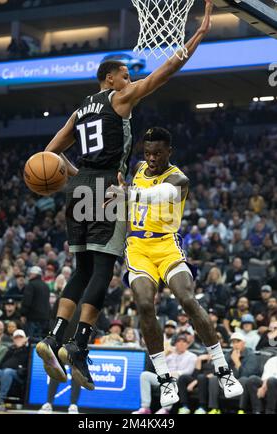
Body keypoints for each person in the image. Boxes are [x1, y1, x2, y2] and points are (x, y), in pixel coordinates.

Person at [36, 0, 214, 395]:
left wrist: (72, 177)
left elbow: (49, 155)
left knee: (81, 269)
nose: (129, 77)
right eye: (124, 73)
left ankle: (52, 338)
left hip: (79, 185)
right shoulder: (120, 99)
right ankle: (78, 346)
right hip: (105, 187)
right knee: (104, 269)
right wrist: (196, 38)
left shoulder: (81, 109)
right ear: (110, 79)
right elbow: (163, 74)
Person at [107, 126, 243, 409]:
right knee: (144, 303)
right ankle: (165, 378)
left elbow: (158, 195)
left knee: (188, 300)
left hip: (167, 245)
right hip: (139, 248)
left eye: (157, 153)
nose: (152, 158)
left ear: (170, 151)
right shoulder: (140, 168)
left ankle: (222, 369)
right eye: (147, 153)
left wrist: (128, 194)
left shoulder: (179, 179)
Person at [132, 335, 197, 414]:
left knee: (171, 379)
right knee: (145, 375)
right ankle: (145, 408)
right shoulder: (170, 355)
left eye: (184, 342)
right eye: (179, 342)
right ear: (175, 344)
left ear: (187, 344)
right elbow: (158, 365)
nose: (181, 344)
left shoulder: (192, 356)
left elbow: (189, 371)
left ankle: (165, 409)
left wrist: (176, 373)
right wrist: (166, 354)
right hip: (164, 377)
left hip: (178, 380)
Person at [207, 333, 259, 414]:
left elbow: (248, 374)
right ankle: (215, 408)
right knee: (214, 379)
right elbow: (219, 369)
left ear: (244, 343)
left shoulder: (251, 355)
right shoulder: (229, 354)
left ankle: (242, 409)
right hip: (230, 380)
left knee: (244, 379)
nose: (235, 344)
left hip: (243, 380)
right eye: (233, 342)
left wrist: (236, 361)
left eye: (238, 342)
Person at [20, 266, 50, 339]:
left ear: (34, 274)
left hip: (32, 318)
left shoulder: (31, 285)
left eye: (30, 273)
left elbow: (27, 301)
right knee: (41, 340)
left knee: (30, 340)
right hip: (44, 318)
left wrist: (23, 314)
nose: (29, 275)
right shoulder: (46, 286)